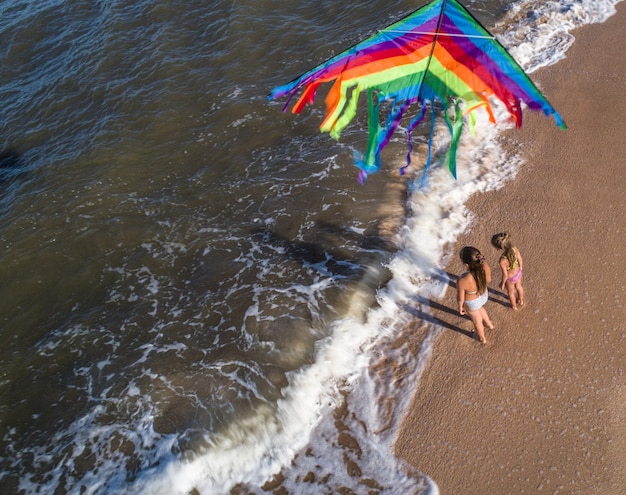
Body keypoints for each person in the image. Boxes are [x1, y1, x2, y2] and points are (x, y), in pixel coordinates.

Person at [457, 246, 494, 344]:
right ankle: (489, 325)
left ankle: (482, 338)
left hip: (472, 302)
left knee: (477, 321)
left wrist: (460, 307)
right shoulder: (485, 265)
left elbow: (460, 298)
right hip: (483, 295)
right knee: (480, 308)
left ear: (466, 264)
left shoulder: (463, 280)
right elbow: (489, 279)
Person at [491, 232, 524, 310]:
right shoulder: (514, 248)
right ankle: (521, 300)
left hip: (510, 279)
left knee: (511, 292)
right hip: (518, 273)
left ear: (499, 248)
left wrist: (502, 284)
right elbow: (520, 259)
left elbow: (505, 275)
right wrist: (521, 267)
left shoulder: (502, 261)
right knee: (519, 287)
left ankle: (514, 306)